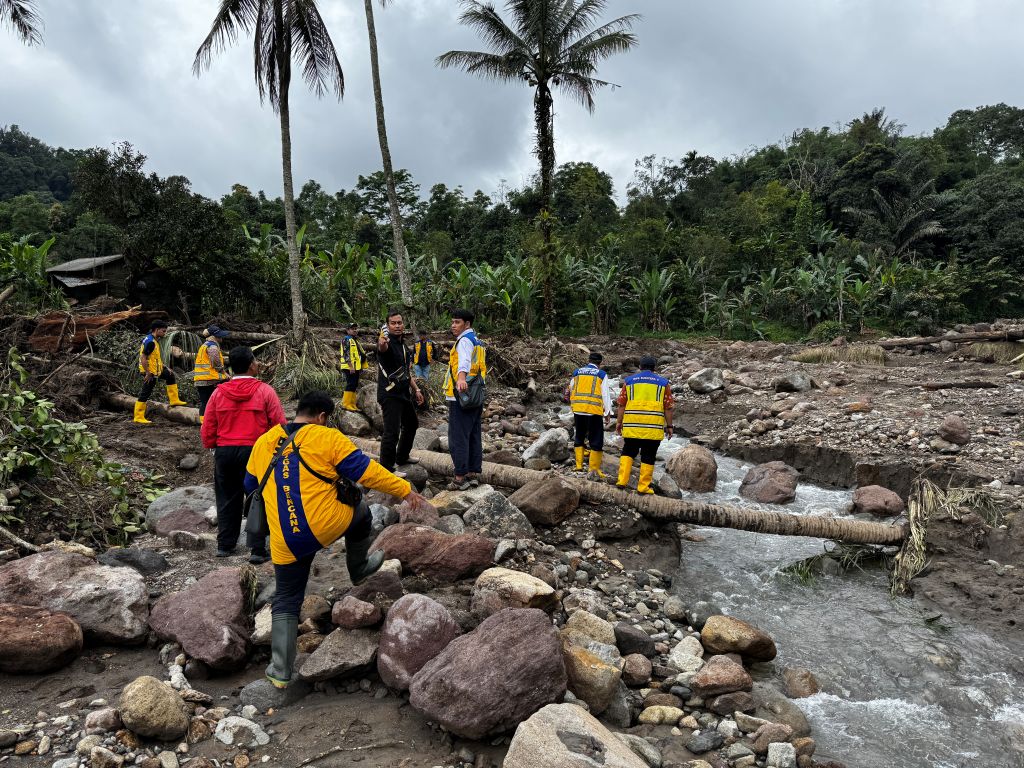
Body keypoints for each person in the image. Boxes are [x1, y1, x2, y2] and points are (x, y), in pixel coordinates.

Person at [244, 390, 427, 689]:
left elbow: (250, 484)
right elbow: (366, 472)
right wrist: (404, 489)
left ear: (299, 411)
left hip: (285, 539)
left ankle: (279, 672)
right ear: (322, 417)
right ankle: (358, 567)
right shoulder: (328, 438)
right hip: (326, 526)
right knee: (362, 511)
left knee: (287, 598)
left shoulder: (265, 441)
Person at [201, 346, 286, 563]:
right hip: (256, 451)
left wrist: (213, 445)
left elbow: (208, 427)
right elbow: (279, 426)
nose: (257, 364)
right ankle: (257, 549)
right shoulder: (265, 391)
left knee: (227, 497)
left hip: (225, 452)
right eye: (255, 361)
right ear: (250, 365)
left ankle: (225, 545)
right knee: (258, 496)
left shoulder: (218, 393)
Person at [615, 355, 674, 495]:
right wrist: (670, 426)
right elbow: (668, 407)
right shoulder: (663, 383)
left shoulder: (629, 381)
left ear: (640, 367)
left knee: (628, 451)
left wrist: (618, 422)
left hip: (632, 426)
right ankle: (643, 487)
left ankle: (622, 481)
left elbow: (621, 404)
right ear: (654, 368)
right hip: (652, 428)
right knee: (649, 455)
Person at [443, 308, 487, 491]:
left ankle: (460, 476)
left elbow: (464, 362)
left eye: (457, 322)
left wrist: (461, 379)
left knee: (458, 436)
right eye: (452, 322)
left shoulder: (464, 341)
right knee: (473, 434)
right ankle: (473, 473)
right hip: (476, 394)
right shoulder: (478, 341)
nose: (453, 325)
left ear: (467, 324)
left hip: (461, 395)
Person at [377, 311, 425, 473]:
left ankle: (402, 457)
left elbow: (405, 372)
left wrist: (416, 389)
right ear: (387, 325)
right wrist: (382, 341)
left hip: (403, 393)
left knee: (412, 424)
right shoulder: (388, 344)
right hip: (390, 394)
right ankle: (386, 468)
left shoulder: (403, 345)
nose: (397, 326)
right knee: (392, 431)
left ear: (403, 324)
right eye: (393, 323)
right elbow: (382, 347)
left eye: (399, 323)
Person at [569, 351, 613, 478]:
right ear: (600, 363)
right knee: (596, 439)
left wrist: (573, 405)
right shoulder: (601, 374)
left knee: (579, 435)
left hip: (578, 409)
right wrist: (607, 412)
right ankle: (593, 469)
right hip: (593, 411)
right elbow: (605, 394)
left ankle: (578, 465)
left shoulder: (577, 372)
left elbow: (572, 388)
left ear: (589, 360)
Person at [133, 319, 186, 424]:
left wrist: (165, 367)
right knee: (146, 392)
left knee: (170, 376)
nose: (164, 333)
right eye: (163, 331)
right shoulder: (150, 342)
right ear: (156, 330)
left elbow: (155, 358)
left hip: (156, 369)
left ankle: (174, 400)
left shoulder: (153, 339)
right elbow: (143, 358)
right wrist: (148, 373)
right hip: (150, 372)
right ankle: (138, 416)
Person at [193, 324, 231, 423]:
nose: (222, 337)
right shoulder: (212, 346)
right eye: (219, 335)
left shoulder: (204, 346)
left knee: (204, 402)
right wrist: (224, 372)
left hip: (200, 379)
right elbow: (216, 361)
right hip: (210, 379)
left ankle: (204, 423)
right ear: (214, 336)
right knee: (220, 399)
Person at [339, 322, 366, 412]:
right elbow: (347, 354)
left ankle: (352, 404)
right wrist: (351, 366)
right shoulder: (346, 339)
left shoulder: (354, 340)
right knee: (350, 384)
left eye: (355, 328)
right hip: (349, 367)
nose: (355, 330)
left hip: (356, 367)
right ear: (347, 330)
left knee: (354, 384)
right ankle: (346, 404)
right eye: (352, 329)